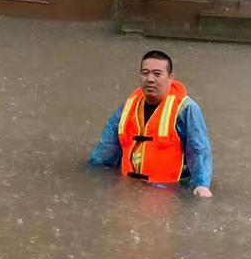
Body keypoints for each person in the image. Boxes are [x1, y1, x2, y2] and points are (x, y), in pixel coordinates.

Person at [90, 50, 213, 198]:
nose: (150, 79)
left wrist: (201, 185)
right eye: (145, 73)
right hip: (130, 188)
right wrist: (93, 177)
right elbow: (106, 148)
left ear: (170, 78)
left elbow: (199, 150)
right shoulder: (128, 107)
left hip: (171, 191)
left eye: (157, 74)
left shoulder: (186, 109)